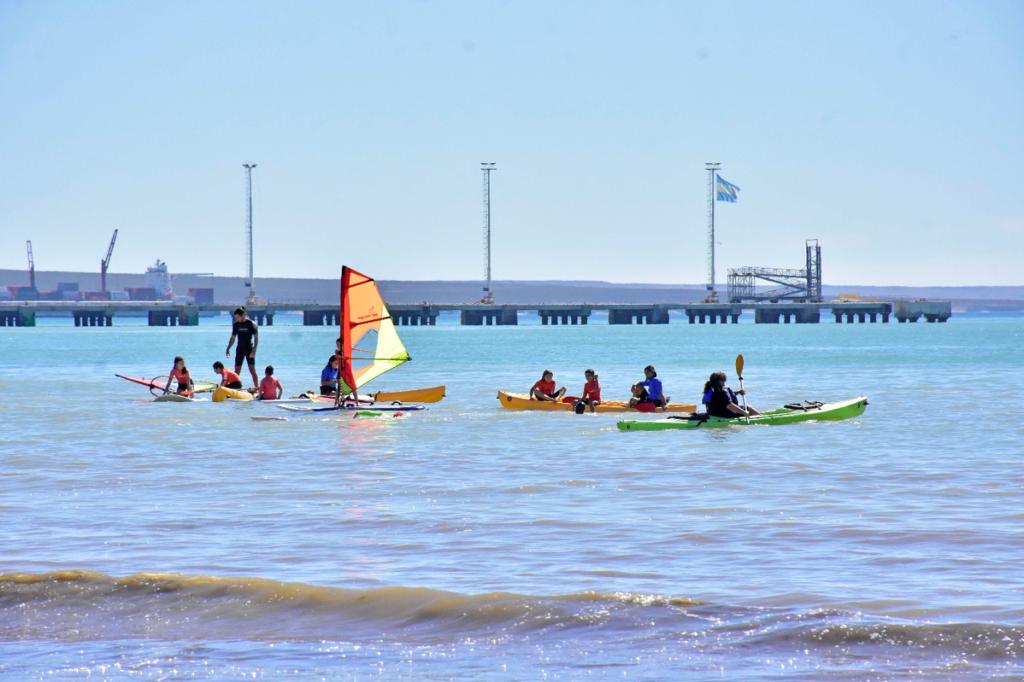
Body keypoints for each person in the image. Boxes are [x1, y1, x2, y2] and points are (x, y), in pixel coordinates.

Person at [225, 306, 259, 390]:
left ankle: (257, 388)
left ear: (243, 315)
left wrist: (254, 350)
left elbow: (256, 337)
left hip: (249, 349)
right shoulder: (236, 325)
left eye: (238, 317)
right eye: (235, 317)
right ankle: (235, 388)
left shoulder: (251, 324)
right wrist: (228, 348)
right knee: (236, 371)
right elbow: (233, 337)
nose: (237, 319)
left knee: (252, 370)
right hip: (239, 349)